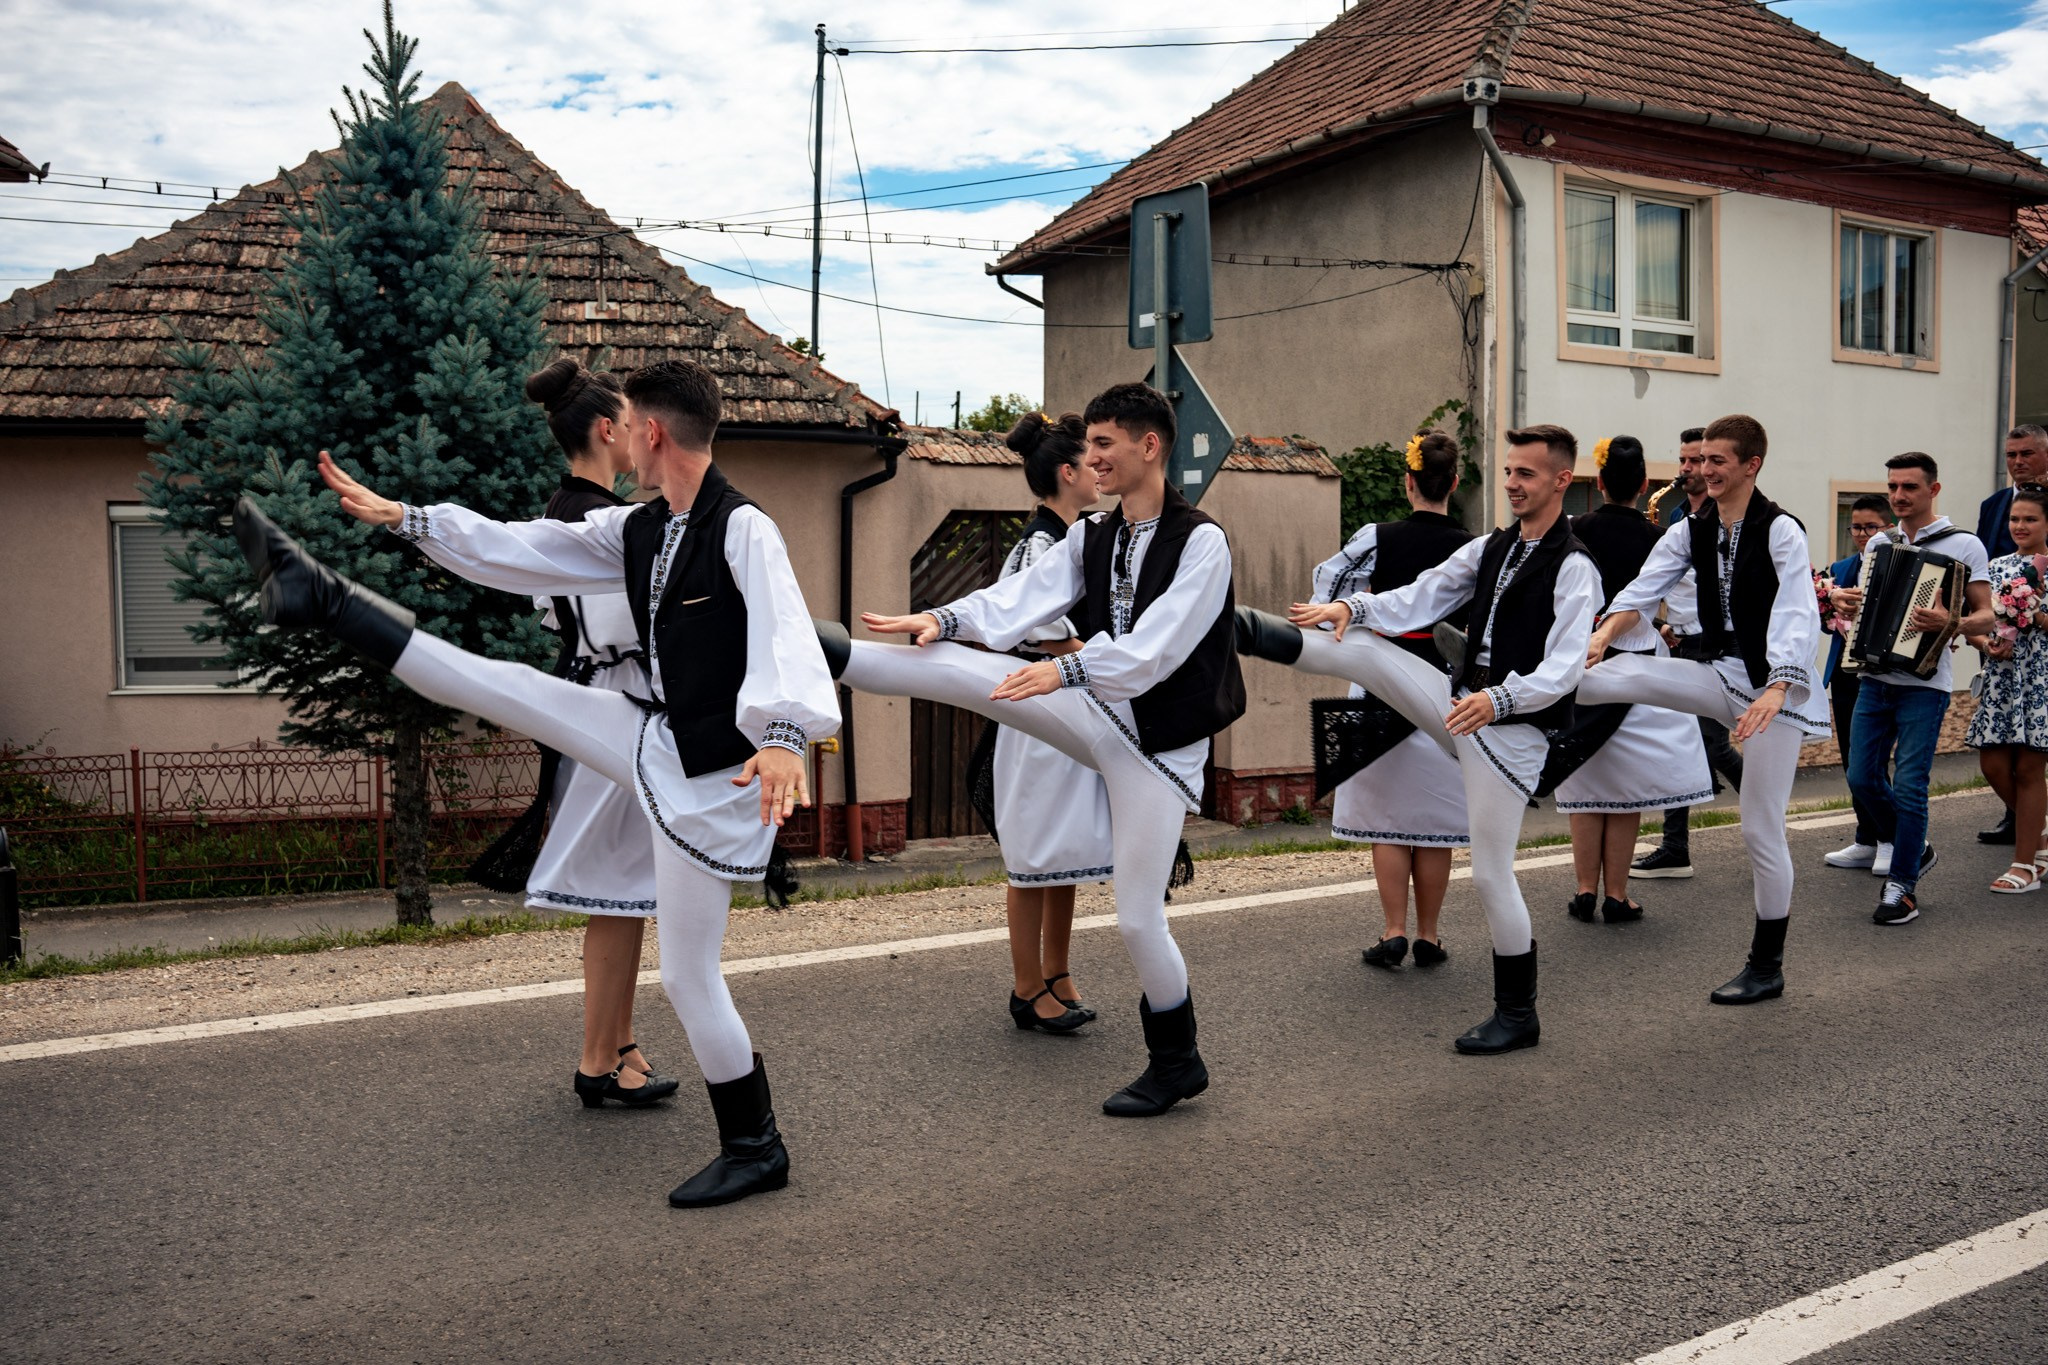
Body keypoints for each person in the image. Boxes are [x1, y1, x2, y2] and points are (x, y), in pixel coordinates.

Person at [235, 358, 839, 1209]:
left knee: (690, 978)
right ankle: (325, 598)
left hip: (721, 776)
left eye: (627, 422)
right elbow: (520, 547)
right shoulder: (639, 528)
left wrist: (783, 739)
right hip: (655, 737)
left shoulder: (744, 529)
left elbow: (785, 633)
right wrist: (408, 519)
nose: (618, 435)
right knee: (511, 684)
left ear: (652, 432)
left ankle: (756, 1147)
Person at [838, 382, 1243, 1117]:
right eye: (1088, 446)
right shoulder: (1091, 535)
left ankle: (1177, 1061)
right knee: (964, 665)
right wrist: (941, 616)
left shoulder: (1203, 542)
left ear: (1149, 446)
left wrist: (1065, 668)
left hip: (1159, 746)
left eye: (1104, 444)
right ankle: (832, 653)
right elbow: (1017, 599)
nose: (1091, 458)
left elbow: (1156, 651)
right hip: (1098, 712)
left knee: (1137, 918)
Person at [1266, 423, 1600, 1055]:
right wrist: (1353, 608)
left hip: (1515, 729)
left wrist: (1498, 698)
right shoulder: (1496, 546)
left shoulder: (1575, 565)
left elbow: (1564, 670)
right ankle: (1257, 634)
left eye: (1526, 474)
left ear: (1562, 480)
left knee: (1495, 874)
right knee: (1359, 641)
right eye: (1507, 472)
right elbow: (1428, 593)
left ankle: (1518, 1013)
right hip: (1465, 707)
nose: (1511, 484)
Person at [1582, 414, 1828, 1004]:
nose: (1705, 469)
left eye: (1719, 460)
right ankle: (1503, 692)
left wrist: (1778, 686)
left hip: (1776, 691)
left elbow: (1799, 612)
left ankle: (1766, 966)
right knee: (1612, 673)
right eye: (1701, 459)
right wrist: (1600, 636)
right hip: (1720, 674)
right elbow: (1642, 591)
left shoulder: (1780, 531)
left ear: (1751, 465)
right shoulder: (1688, 529)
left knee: (1761, 827)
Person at [514, 359, 678, 1108]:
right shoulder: (602, 521)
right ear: (608, 430)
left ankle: (620, 1042)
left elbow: (559, 623)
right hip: (622, 701)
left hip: (592, 696)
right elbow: (626, 629)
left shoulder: (560, 510)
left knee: (627, 892)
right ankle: (596, 1059)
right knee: (617, 892)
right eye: (631, 422)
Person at [1306, 429, 1473, 970]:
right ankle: (1429, 934)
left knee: (1387, 820)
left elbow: (1325, 586)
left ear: (1408, 483)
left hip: (1380, 687)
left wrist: (1359, 612)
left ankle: (1393, 929)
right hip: (1444, 694)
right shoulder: (1474, 548)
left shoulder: (1376, 536)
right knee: (1432, 822)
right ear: (1454, 483)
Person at [1552, 436, 1713, 924]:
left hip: (1582, 663)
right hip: (1637, 664)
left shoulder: (1571, 529)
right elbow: (1682, 603)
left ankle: (1584, 889)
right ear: (1644, 485)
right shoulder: (1658, 539)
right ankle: (1617, 895)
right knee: (1624, 793)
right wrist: (1670, 627)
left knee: (1583, 780)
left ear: (1599, 482)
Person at [1832, 452, 1993, 926]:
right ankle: (1913, 846)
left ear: (1933, 490)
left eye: (1910, 488)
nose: (1899, 496)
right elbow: (1862, 606)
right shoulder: (1880, 542)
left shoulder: (1964, 544)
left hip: (1925, 684)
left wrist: (1953, 621)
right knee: (1861, 779)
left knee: (1909, 786)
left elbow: (1988, 613)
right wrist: (1843, 598)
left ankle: (1901, 888)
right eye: (1893, 488)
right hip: (1874, 678)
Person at [985, 411, 1107, 1033]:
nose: (1099, 471)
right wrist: (1106, 656)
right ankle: (1026, 987)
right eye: (1091, 462)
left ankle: (1057, 974)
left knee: (1065, 850)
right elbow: (1033, 629)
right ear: (1067, 472)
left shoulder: (1073, 537)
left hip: (1064, 706)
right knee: (1033, 852)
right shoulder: (1039, 544)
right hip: (1036, 711)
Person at [1630, 427, 1745, 880]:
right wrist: (1664, 624)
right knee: (1684, 744)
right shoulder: (1678, 515)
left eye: (1695, 461)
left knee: (1709, 745)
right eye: (1682, 460)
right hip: (1681, 644)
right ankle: (1676, 846)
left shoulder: (1731, 516)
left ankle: (1767, 814)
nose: (1686, 469)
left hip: (1717, 647)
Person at [1960, 483, 2048, 893]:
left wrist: (2035, 608)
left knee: (2030, 768)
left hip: (2041, 678)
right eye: (2015, 518)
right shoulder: (1995, 567)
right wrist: (1986, 644)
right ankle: (2041, 832)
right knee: (1993, 765)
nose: (2020, 525)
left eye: (2030, 518)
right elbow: (1979, 623)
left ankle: (2025, 864)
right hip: (2002, 679)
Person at [1971, 424, 2048, 844]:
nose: (2018, 462)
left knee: (2032, 756)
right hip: (2000, 637)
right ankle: (2022, 820)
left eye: (2027, 454)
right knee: (2001, 749)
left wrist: (2033, 608)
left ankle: (2030, 840)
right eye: (2011, 455)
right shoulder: (1995, 504)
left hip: (2042, 649)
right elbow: (1983, 563)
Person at [1820, 494, 1897, 872]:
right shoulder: (1842, 567)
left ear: (1889, 527)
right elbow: (1821, 618)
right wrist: (1832, 603)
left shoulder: (1900, 561)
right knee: (1852, 758)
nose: (1863, 534)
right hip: (1846, 674)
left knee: (1874, 760)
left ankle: (1888, 839)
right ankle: (1865, 837)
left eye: (1872, 527)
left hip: (1883, 675)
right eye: (1857, 527)